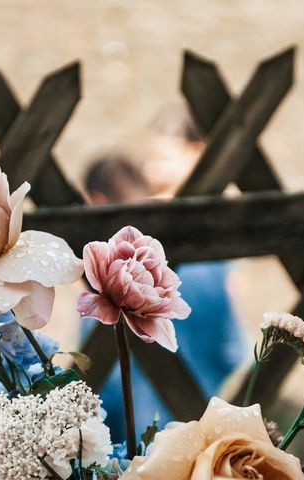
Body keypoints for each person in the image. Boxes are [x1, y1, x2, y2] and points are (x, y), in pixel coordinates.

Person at [82, 131, 245, 442]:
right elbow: (232, 353)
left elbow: (103, 389)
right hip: (202, 439)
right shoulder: (211, 263)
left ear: (97, 201)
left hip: (133, 451)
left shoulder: (104, 280)